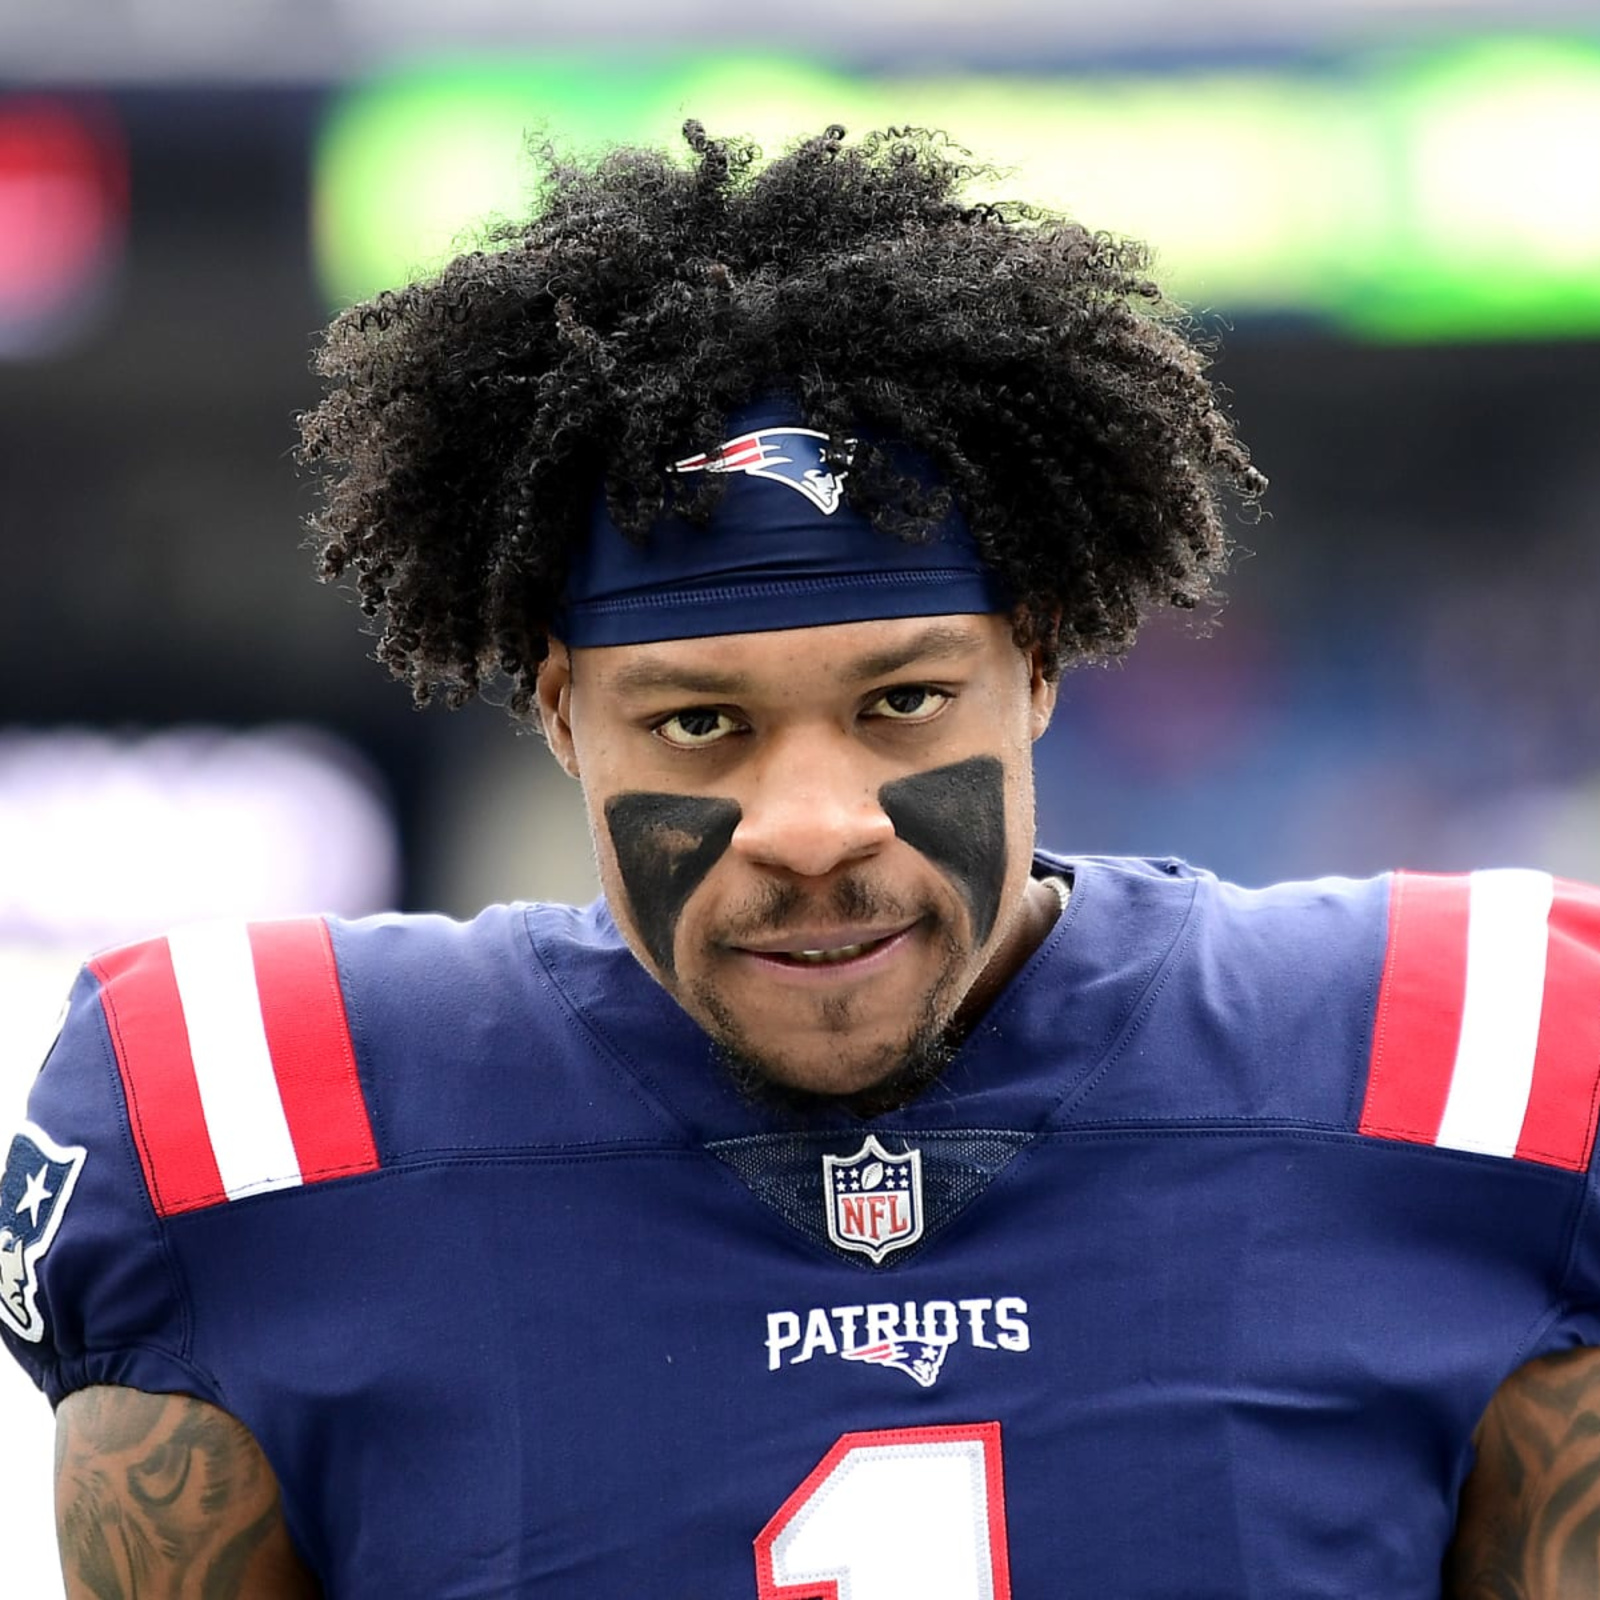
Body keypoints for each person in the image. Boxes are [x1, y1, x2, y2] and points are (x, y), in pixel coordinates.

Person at [4, 121, 1599, 1599]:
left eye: (904, 703)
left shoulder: (1470, 1070)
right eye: (701, 724)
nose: (816, 824)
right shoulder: (241, 1123)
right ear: (562, 716)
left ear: (1034, 665)